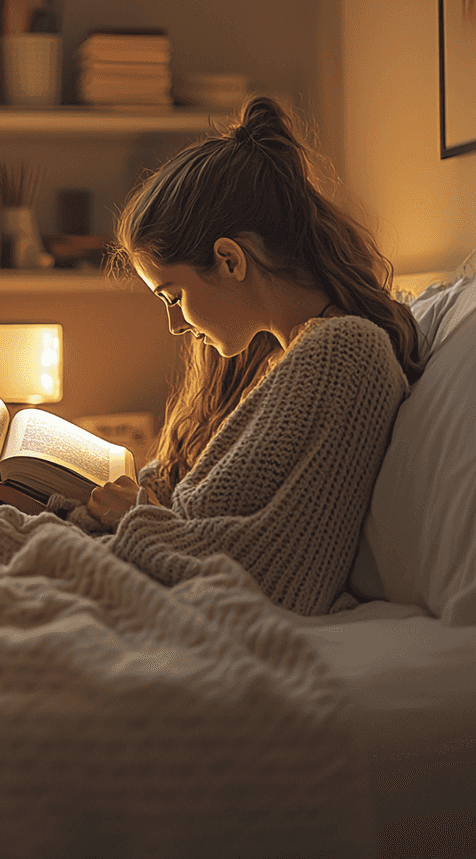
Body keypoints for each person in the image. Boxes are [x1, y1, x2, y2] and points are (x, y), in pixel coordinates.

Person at [78, 95, 423, 616]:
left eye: (173, 297)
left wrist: (135, 517)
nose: (176, 324)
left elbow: (283, 576)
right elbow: (190, 501)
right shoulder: (269, 359)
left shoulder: (348, 353)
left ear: (229, 260)